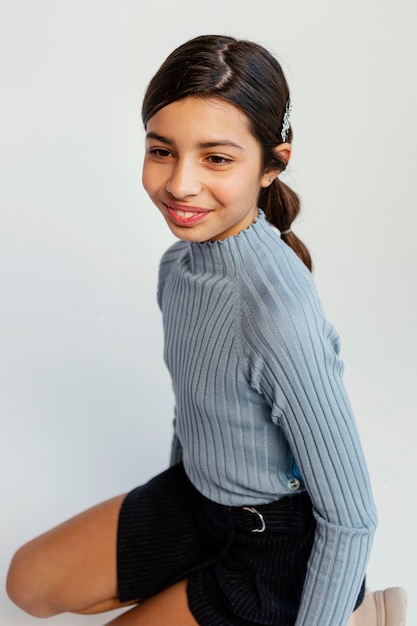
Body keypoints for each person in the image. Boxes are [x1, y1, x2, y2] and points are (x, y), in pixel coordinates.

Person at [7, 34, 378, 626]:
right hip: (198, 500)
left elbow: (352, 516)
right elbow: (196, 403)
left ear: (272, 162)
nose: (180, 184)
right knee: (27, 582)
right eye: (162, 151)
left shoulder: (278, 317)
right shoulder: (177, 269)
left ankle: (351, 615)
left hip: (275, 550)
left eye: (217, 158)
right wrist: (180, 509)